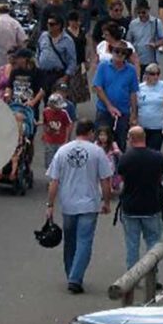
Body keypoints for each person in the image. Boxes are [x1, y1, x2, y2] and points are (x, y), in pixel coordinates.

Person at [46, 119, 112, 294]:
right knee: (85, 241)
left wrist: (50, 204)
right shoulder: (97, 152)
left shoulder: (63, 150)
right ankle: (75, 278)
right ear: (90, 132)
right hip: (89, 203)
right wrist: (106, 202)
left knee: (70, 242)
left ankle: (71, 274)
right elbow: (105, 180)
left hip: (68, 204)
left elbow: (54, 180)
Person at [117, 126, 163, 270]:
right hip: (151, 206)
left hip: (130, 207)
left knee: (132, 244)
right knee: (153, 243)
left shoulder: (126, 158)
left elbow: (121, 177)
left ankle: (132, 277)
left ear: (131, 139)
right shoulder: (157, 157)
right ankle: (153, 276)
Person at [93, 43, 139, 152]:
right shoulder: (103, 66)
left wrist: (133, 114)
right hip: (104, 110)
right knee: (101, 142)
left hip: (123, 112)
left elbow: (133, 92)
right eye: (117, 51)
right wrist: (109, 106)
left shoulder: (131, 70)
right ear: (112, 51)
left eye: (123, 53)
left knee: (120, 143)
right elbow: (98, 88)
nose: (119, 54)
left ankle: (118, 167)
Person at [37, 15, 77, 96]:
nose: (49, 26)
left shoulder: (67, 40)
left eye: (52, 24)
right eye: (48, 24)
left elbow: (72, 60)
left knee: (57, 101)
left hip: (58, 74)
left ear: (59, 26)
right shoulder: (44, 36)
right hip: (43, 73)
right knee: (44, 98)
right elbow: (38, 51)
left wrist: (66, 77)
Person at [127, 2, 163, 70]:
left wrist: (155, 44)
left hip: (151, 60)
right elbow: (128, 41)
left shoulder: (156, 22)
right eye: (139, 13)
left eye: (143, 12)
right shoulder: (133, 24)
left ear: (148, 10)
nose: (141, 15)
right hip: (136, 60)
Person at [138, 63, 163, 150]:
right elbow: (135, 104)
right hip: (142, 127)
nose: (155, 76)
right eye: (152, 74)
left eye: (157, 74)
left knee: (153, 151)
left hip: (157, 127)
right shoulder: (140, 88)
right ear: (146, 75)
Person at [42, 92, 74, 170]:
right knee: (49, 158)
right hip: (50, 139)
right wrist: (45, 132)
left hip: (61, 140)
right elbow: (45, 122)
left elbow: (68, 125)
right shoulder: (46, 112)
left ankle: (59, 178)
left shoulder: (63, 113)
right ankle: (52, 178)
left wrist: (67, 139)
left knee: (61, 159)